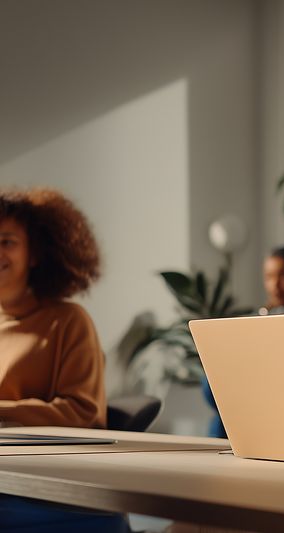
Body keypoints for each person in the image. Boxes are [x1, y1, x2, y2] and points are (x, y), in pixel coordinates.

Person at [0, 187, 128, 532]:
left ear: (35, 254)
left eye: (7, 241)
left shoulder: (69, 321)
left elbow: (84, 414)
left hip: (46, 490)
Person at [202, 245, 284, 437]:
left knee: (219, 392)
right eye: (269, 277)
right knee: (215, 389)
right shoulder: (278, 310)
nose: (275, 285)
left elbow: (278, 360)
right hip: (274, 388)